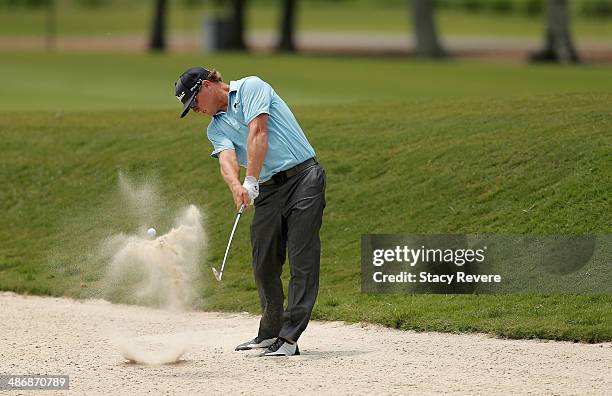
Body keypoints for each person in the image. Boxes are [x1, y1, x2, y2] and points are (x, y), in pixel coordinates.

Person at [174, 67, 326, 356]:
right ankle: (270, 333)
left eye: (194, 102)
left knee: (301, 258)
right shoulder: (215, 128)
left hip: (303, 177)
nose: (194, 109)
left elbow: (259, 131)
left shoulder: (251, 88)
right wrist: (236, 186)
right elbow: (227, 159)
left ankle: (290, 338)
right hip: (268, 189)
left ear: (206, 85)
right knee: (263, 260)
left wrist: (251, 180)